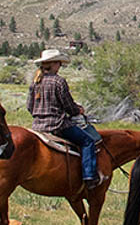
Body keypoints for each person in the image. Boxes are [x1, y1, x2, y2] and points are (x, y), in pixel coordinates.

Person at [27, 49, 101, 189]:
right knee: (88, 141)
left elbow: (29, 107)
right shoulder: (59, 81)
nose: (60, 66)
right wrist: (78, 110)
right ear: (54, 64)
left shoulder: (35, 82)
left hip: (37, 126)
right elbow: (69, 107)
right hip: (58, 125)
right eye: (59, 63)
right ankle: (89, 176)